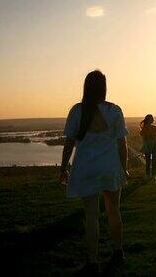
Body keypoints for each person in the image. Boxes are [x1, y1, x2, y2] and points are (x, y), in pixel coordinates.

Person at [59, 70, 129, 275]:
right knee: (113, 211)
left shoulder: (77, 111)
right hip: (109, 168)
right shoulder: (114, 111)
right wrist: (123, 168)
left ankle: (92, 261)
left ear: (86, 87)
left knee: (91, 216)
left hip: (86, 169)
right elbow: (122, 144)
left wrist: (63, 168)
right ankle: (118, 251)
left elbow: (69, 143)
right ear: (104, 88)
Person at [139, 114, 156, 179]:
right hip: (148, 145)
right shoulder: (144, 129)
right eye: (152, 119)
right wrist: (145, 146)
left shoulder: (154, 127)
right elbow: (144, 139)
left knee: (154, 160)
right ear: (148, 119)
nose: (153, 120)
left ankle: (153, 174)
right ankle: (147, 174)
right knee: (148, 160)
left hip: (155, 145)